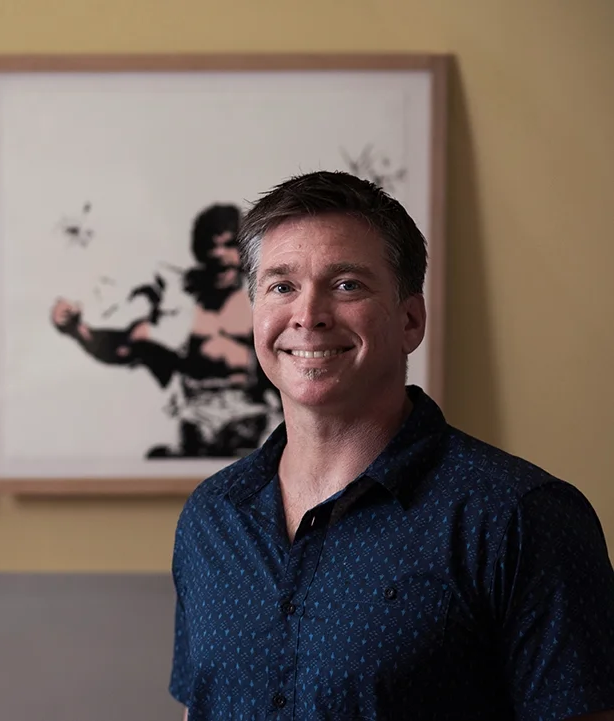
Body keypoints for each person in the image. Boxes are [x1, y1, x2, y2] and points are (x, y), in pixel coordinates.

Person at [169, 171, 614, 720]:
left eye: (347, 285)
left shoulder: (521, 517)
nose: (308, 315)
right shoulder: (212, 517)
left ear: (410, 320)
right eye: (282, 287)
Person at [51, 203, 280, 458]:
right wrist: (76, 329)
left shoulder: (265, 301)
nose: (218, 254)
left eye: (228, 245)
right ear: (199, 251)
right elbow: (125, 347)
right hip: (195, 420)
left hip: (251, 420)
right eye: (210, 246)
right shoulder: (180, 309)